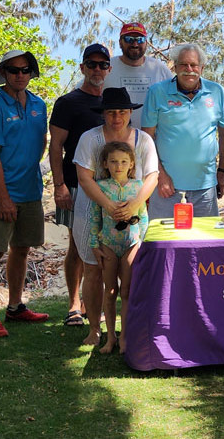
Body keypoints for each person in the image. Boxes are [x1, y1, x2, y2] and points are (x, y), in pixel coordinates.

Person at [73, 87, 159, 347]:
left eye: (122, 111)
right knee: (92, 270)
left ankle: (128, 332)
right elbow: (84, 177)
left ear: (130, 113)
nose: (117, 117)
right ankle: (95, 329)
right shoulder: (90, 139)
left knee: (129, 279)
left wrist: (134, 204)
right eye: (111, 112)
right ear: (104, 114)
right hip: (93, 210)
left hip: (134, 214)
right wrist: (108, 205)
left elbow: (152, 176)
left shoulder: (143, 140)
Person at [0, 49, 49, 338]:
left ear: (31, 73)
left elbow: (41, 143)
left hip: (31, 190)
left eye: (25, 70)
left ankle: (16, 306)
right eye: (14, 70)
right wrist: (4, 196)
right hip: (1, 194)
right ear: (4, 73)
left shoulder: (39, 104)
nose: (20, 75)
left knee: (21, 249)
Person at [48, 43, 111, 327]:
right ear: (82, 67)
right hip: (74, 186)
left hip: (109, 188)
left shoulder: (112, 104)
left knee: (104, 245)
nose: (97, 69)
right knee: (77, 245)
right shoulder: (68, 102)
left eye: (102, 65)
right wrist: (59, 185)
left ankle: (92, 302)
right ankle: (74, 305)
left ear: (109, 69)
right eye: (92, 64)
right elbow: (56, 147)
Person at [142, 43, 224, 218]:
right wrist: (160, 175)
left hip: (205, 187)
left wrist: (221, 172)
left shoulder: (217, 92)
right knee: (164, 242)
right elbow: (147, 138)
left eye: (194, 65)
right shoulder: (157, 92)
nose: (189, 69)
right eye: (183, 64)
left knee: (204, 241)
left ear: (202, 68)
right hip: (166, 187)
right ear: (174, 67)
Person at [89, 141, 148, 355]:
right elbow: (95, 217)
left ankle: (125, 336)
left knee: (126, 291)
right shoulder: (101, 187)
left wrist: (141, 242)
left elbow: (143, 217)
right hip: (108, 244)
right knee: (110, 291)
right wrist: (94, 244)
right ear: (105, 163)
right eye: (113, 161)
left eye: (124, 161)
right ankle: (110, 337)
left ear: (131, 164)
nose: (119, 166)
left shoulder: (138, 186)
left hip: (131, 243)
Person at [104, 22, 172, 128]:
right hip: (114, 141)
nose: (135, 44)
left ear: (146, 43)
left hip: (151, 141)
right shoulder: (106, 67)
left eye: (140, 40)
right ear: (120, 42)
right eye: (129, 39)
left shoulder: (159, 69)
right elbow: (85, 93)